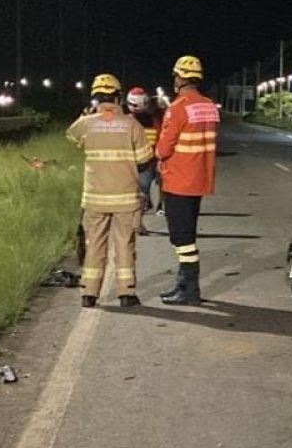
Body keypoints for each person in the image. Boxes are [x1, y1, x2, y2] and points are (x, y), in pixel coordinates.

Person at [66, 73, 153, 308]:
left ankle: (89, 294)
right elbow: (146, 159)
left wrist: (86, 114)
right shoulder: (131, 124)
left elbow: (71, 137)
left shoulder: (87, 123)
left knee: (94, 243)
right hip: (125, 197)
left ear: (94, 97)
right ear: (118, 97)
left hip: (95, 197)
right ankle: (126, 293)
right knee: (125, 243)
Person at [155, 55, 219, 305]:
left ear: (180, 79)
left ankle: (189, 289)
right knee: (187, 233)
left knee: (181, 238)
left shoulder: (178, 107)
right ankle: (184, 286)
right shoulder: (209, 106)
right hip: (199, 179)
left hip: (178, 180)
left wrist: (157, 154)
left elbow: (164, 147)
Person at [125, 86, 164, 234]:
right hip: (147, 161)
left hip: (127, 161)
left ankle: (128, 223)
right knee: (142, 193)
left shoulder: (125, 120)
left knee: (129, 194)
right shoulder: (155, 118)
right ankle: (137, 223)